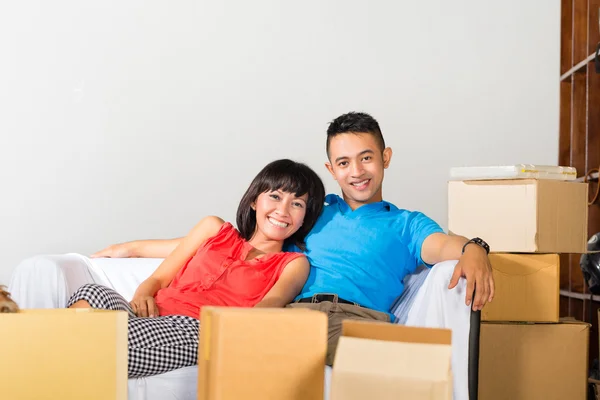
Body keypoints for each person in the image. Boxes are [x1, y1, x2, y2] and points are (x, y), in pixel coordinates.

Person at [94, 113, 493, 399]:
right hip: (294, 314)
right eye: (343, 162)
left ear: (385, 158)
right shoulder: (314, 211)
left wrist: (474, 247)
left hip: (356, 318)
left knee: (400, 367)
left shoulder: (406, 224)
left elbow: (442, 246)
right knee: (256, 350)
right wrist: (133, 250)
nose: (357, 171)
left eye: (367, 157)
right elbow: (234, 245)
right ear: (331, 169)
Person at [69, 158, 326, 378]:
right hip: (150, 313)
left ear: (304, 218)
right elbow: (158, 279)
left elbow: (267, 308)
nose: (283, 210)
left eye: (297, 204)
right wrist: (142, 296)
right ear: (254, 201)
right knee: (92, 293)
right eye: (275, 196)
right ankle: (55, 355)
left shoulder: (292, 264)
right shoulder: (214, 229)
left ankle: (49, 357)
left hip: (198, 331)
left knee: (102, 340)